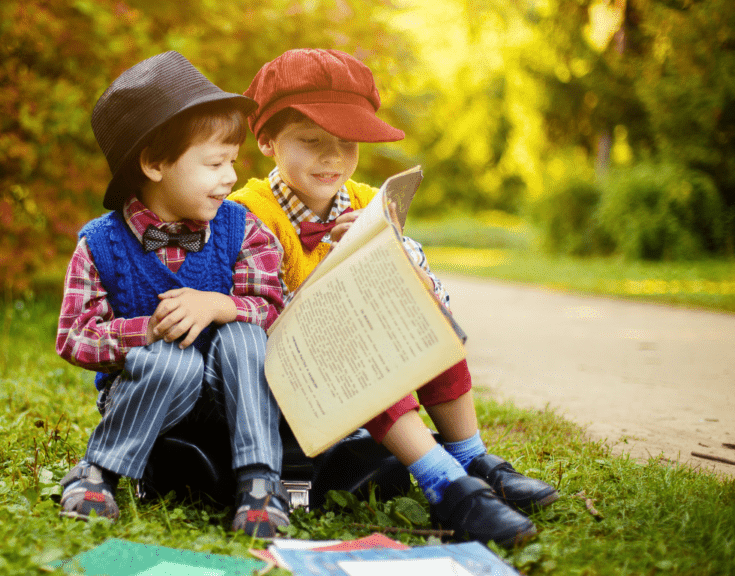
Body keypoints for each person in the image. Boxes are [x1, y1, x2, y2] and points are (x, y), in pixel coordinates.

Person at [229, 48, 559, 547]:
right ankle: (444, 483)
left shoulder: (367, 202)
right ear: (269, 140)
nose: (332, 157)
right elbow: (259, 318)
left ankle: (471, 456)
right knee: (356, 340)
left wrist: (388, 257)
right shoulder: (247, 214)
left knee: (426, 312)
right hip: (282, 377)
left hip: (351, 368)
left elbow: (421, 282)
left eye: (346, 143)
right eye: (311, 141)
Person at [55, 51, 290, 538]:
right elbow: (75, 337)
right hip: (155, 396)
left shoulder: (243, 228)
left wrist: (220, 305)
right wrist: (147, 332)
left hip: (234, 393)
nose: (230, 176)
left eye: (232, 161)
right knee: (171, 358)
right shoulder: (101, 244)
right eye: (214, 163)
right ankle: (100, 472)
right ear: (155, 163)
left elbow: (272, 309)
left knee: (244, 337)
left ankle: (260, 484)